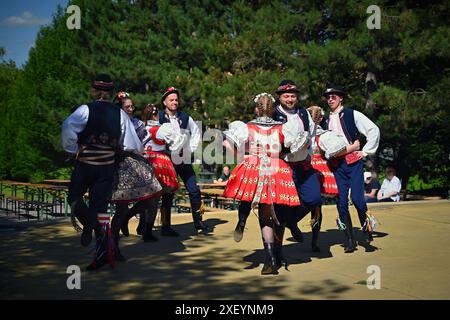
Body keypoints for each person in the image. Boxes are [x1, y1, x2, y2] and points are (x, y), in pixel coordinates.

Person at [61, 74, 143, 271]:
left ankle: (90, 224)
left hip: (85, 164)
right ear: (110, 92)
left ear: (93, 90)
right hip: (106, 166)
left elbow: (67, 127)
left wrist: (72, 150)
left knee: (74, 197)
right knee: (101, 210)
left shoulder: (85, 109)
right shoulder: (120, 113)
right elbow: (133, 144)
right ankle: (103, 252)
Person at [223, 93, 304, 275]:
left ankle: (246, 225)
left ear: (257, 109)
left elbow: (228, 145)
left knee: (247, 199)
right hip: (277, 170)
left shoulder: (246, 127)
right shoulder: (284, 128)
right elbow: (296, 152)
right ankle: (270, 259)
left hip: (254, 167)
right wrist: (282, 155)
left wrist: (242, 158)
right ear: (272, 110)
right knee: (268, 214)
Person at [321, 84, 380, 252]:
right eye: (328, 97)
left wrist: (365, 151)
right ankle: (349, 240)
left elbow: (373, 130)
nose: (330, 99)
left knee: (358, 200)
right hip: (336, 165)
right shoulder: (325, 120)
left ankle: (367, 229)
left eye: (334, 96)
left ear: (341, 98)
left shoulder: (352, 114)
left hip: (353, 162)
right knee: (341, 203)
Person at [109, 94, 162, 246]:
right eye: (127, 107)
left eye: (132, 106)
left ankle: (134, 222)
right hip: (118, 165)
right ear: (119, 108)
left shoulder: (137, 123)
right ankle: (113, 243)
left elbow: (142, 143)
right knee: (121, 205)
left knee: (153, 195)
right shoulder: (112, 123)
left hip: (136, 162)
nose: (131, 109)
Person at [158, 87, 210, 234]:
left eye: (176, 100)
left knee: (194, 190)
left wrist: (191, 149)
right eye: (171, 100)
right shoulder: (159, 117)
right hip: (166, 160)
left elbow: (196, 133)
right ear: (164, 102)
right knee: (167, 193)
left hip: (183, 158)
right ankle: (165, 226)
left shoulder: (186, 117)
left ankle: (199, 222)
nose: (174, 102)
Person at [137, 103, 187, 240]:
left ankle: (143, 224)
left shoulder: (140, 127)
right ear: (156, 114)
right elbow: (177, 143)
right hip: (160, 163)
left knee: (146, 197)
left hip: (144, 161)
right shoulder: (162, 128)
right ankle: (150, 229)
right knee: (157, 198)